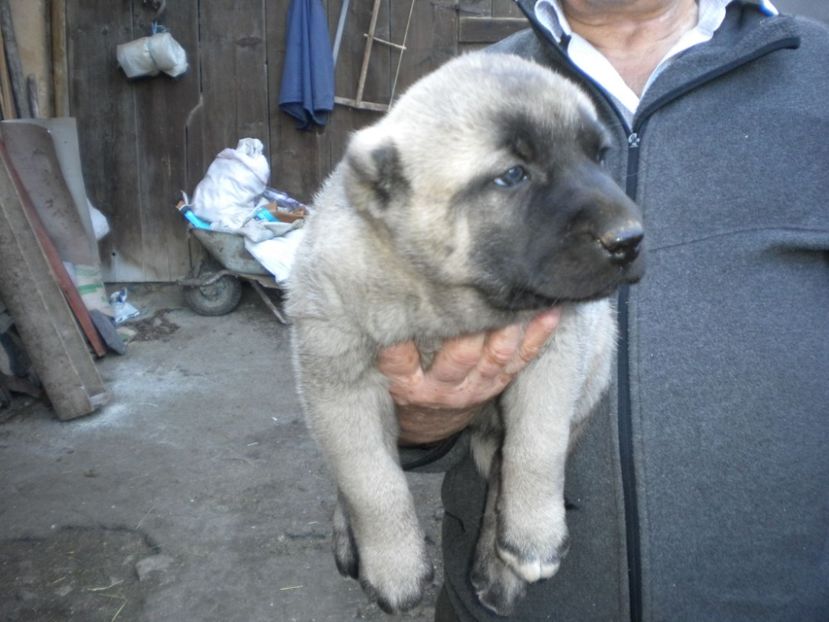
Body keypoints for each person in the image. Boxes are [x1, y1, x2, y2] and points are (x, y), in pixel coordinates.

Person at [377, 0, 829, 620]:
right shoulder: (453, 101)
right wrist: (414, 424)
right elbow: (395, 349)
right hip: (516, 602)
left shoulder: (818, 75)